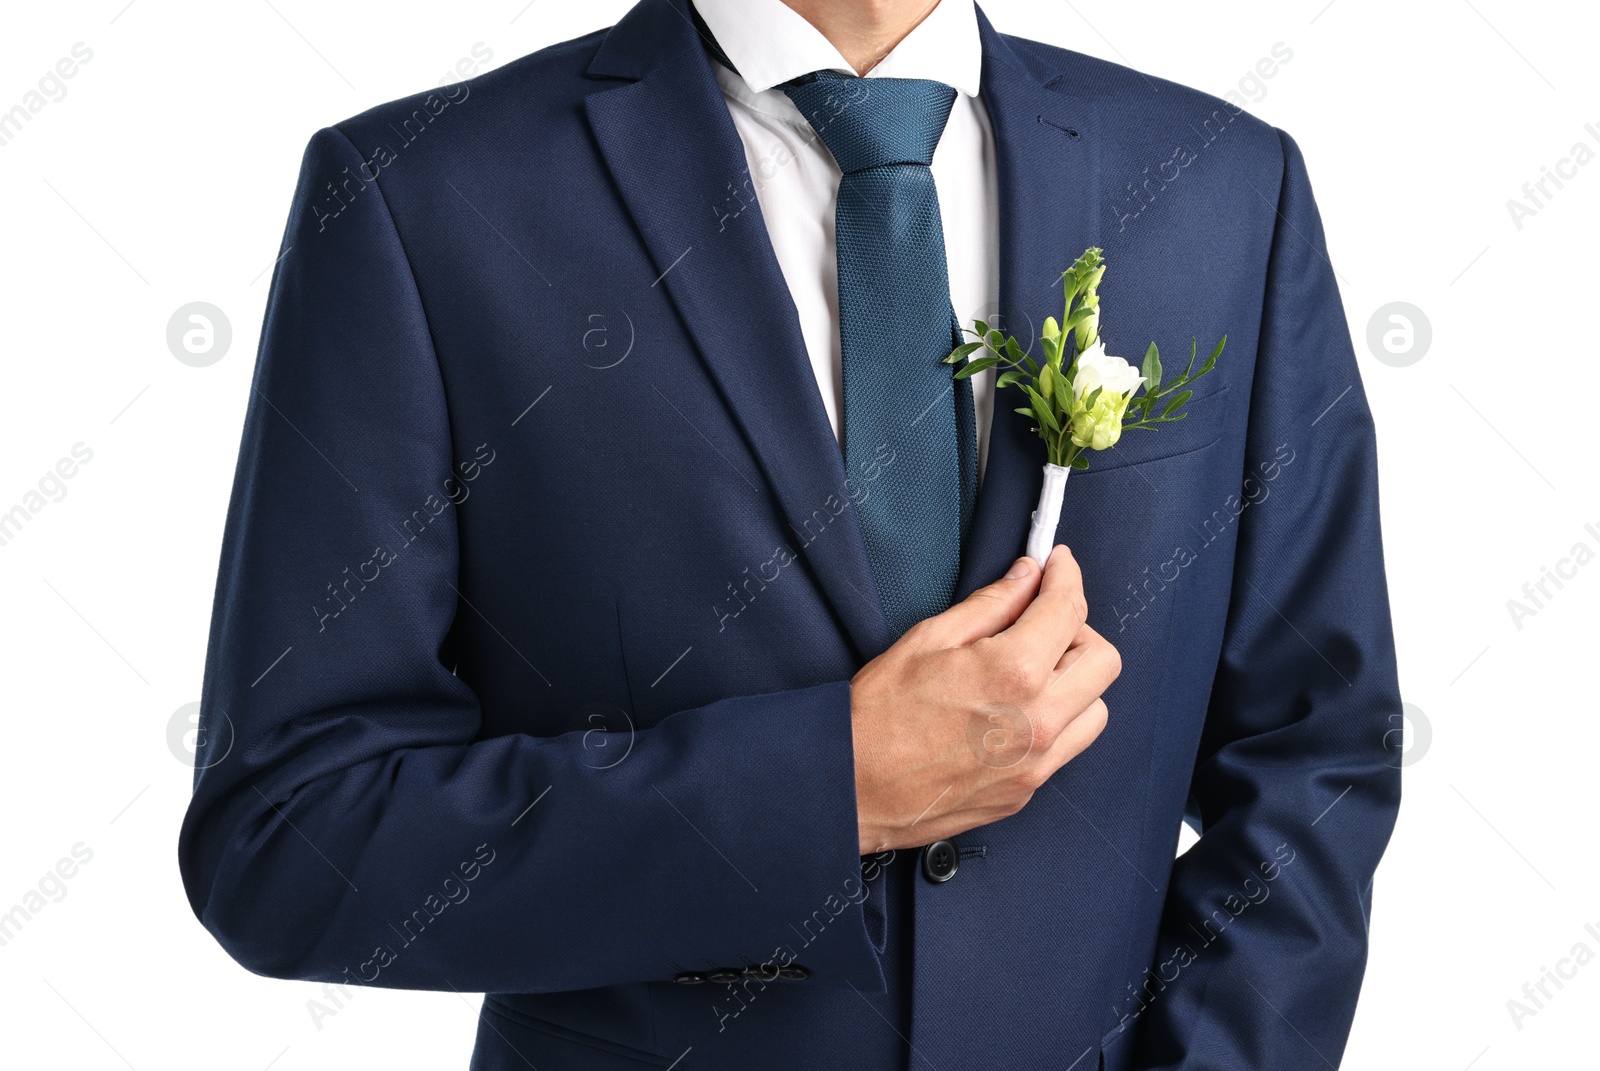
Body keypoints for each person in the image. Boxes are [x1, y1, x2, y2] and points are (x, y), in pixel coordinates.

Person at [178, 0, 1402, 1067]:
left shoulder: (1221, 184)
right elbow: (289, 840)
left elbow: (1316, 748)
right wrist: (829, 789)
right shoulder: (423, 195)